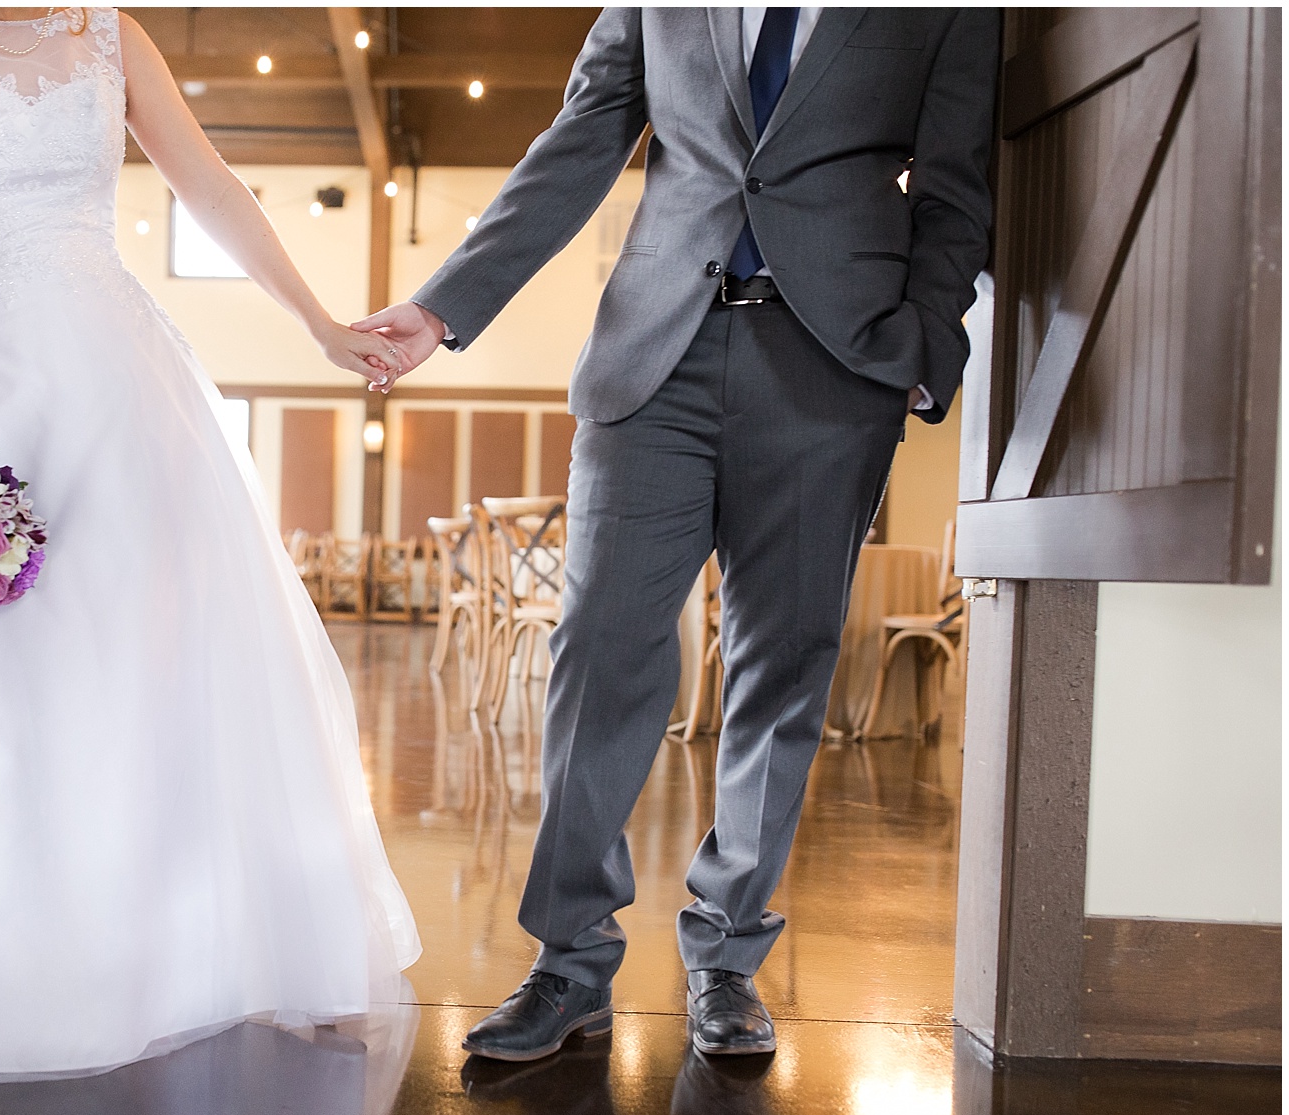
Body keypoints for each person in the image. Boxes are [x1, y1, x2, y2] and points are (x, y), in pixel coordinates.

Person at [0, 6, 420, 1085]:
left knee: (120, 661)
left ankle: (138, 953)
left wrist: (317, 319)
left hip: (110, 381)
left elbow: (209, 184)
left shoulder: (113, 32)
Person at [358, 7, 995, 1061]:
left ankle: (729, 954)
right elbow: (581, 136)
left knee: (782, 661)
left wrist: (923, 345)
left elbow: (959, 185)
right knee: (599, 648)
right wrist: (441, 308)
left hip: (837, 368)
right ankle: (568, 960)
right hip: (654, 352)